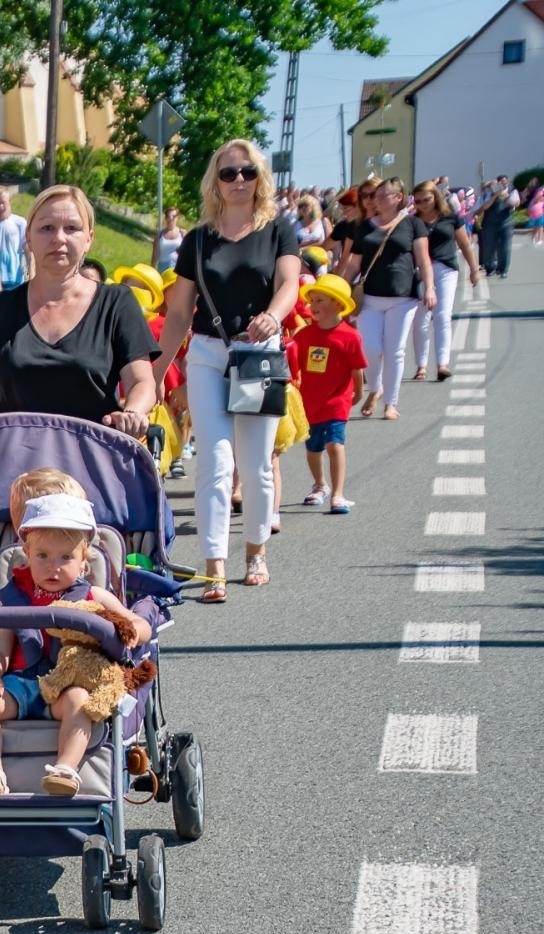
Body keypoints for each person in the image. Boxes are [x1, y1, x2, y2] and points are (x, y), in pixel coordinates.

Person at [153, 139, 300, 603]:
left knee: (254, 465)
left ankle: (255, 551)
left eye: (248, 172)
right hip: (207, 353)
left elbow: (290, 284)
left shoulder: (277, 229)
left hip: (258, 353)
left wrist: (274, 315)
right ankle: (214, 564)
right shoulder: (198, 238)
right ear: (214, 181)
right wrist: (156, 369)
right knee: (213, 462)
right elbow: (178, 312)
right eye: (228, 173)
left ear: (261, 177)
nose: (239, 181)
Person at [0, 185, 158, 442]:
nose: (59, 238)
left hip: (94, 458)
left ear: (89, 238)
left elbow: (141, 382)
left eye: (72, 228)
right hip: (13, 464)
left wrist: (133, 412)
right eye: (47, 228)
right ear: (28, 237)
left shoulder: (117, 303)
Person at [0, 492, 151, 798]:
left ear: (84, 560)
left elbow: (136, 622)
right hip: (22, 683)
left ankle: (66, 768)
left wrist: (133, 631)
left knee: (80, 700)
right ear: (26, 552)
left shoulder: (93, 596)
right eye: (43, 556)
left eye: (65, 558)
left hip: (67, 684)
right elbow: (0, 645)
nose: (53, 567)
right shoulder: (15, 596)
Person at [342, 177, 436, 421]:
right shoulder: (364, 227)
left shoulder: (413, 224)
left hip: (402, 298)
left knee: (395, 351)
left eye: (384, 195)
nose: (377, 199)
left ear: (398, 198)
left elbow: (423, 259)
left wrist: (430, 288)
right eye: (375, 195)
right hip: (370, 297)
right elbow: (354, 264)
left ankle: (390, 403)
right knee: (370, 348)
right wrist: (341, 288)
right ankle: (376, 388)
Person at [292, 275, 366, 516]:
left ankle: (338, 493)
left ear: (338, 304)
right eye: (312, 300)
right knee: (313, 448)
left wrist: (358, 393)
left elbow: (357, 369)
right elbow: (294, 368)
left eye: (320, 300)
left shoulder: (349, 335)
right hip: (309, 402)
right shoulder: (303, 336)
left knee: (335, 444)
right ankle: (319, 484)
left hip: (337, 401)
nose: (313, 306)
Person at [410, 180, 480, 383]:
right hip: (421, 271)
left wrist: (473, 270)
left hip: (446, 269)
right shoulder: (413, 221)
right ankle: (421, 365)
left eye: (427, 199)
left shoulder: (450, 217)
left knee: (442, 315)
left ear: (436, 197)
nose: (423, 204)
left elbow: (465, 244)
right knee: (421, 319)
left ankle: (442, 364)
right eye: (419, 200)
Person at [0, 186, 28, 288]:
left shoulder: (20, 223)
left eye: (3, 202)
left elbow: (27, 248)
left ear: (9, 201)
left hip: (15, 277)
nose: (0, 206)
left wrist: (31, 270)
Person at [153, 206, 186, 273]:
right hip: (162, 268)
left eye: (173, 216)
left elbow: (188, 253)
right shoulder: (160, 234)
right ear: (165, 218)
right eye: (168, 216)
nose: (171, 219)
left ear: (177, 218)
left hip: (178, 268)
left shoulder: (182, 233)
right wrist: (152, 268)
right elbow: (155, 253)